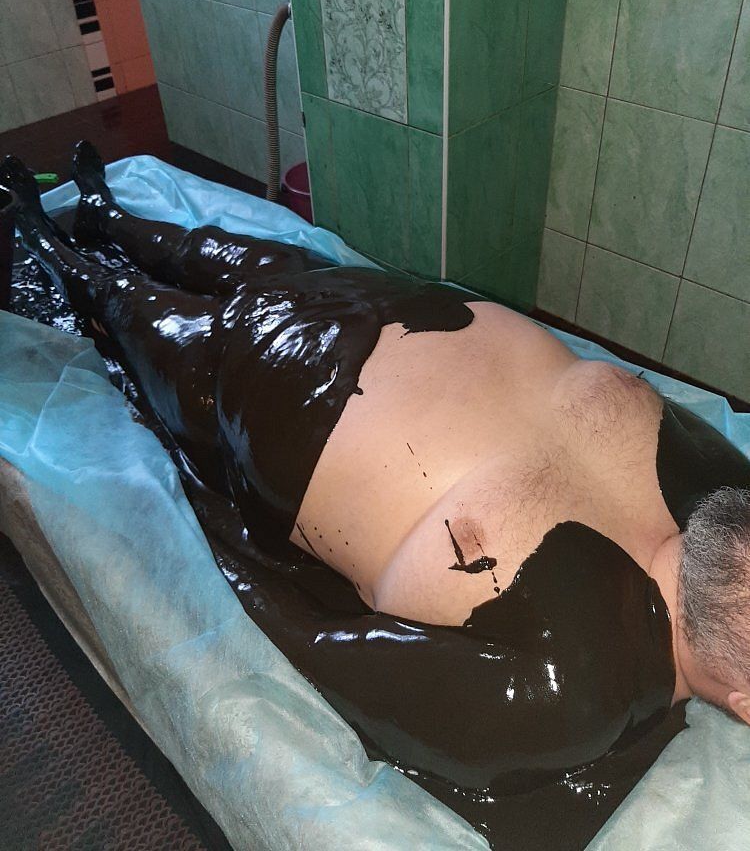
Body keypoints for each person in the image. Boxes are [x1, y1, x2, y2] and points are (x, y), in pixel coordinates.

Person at [5, 143, 750, 848]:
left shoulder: (575, 691)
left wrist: (222, 532)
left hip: (281, 387)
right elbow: (318, 640)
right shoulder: (721, 502)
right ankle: (107, 216)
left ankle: (60, 250)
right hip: (374, 315)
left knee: (139, 307)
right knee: (226, 270)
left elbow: (323, 645)